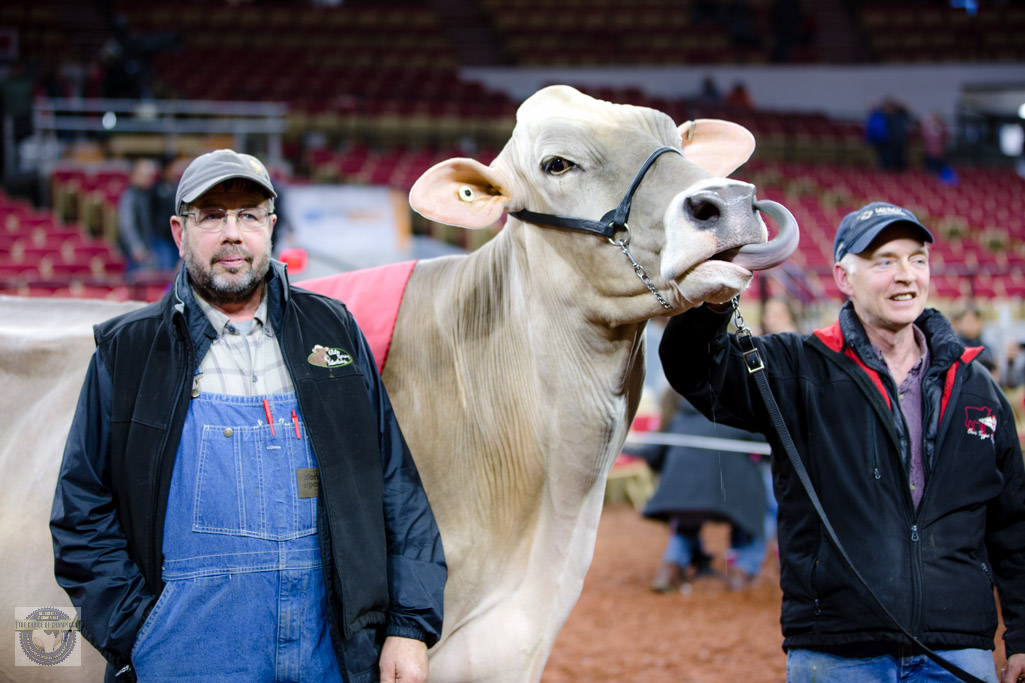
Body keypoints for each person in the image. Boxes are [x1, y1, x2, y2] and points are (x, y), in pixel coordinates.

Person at [51, 149, 446, 682]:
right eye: (212, 216)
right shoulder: (128, 352)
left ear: (271, 227)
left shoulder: (333, 331)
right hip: (185, 659)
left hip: (327, 654)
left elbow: (396, 487)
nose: (232, 234)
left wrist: (408, 626)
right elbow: (81, 510)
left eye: (248, 216)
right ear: (179, 232)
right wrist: (139, 635)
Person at [659, 200, 1025, 683]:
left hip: (958, 653)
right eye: (884, 261)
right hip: (837, 654)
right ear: (844, 278)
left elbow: (1012, 524)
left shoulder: (977, 385)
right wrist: (714, 298)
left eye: (917, 259)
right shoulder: (797, 367)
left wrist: (1022, 637)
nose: (906, 274)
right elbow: (693, 367)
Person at [638, 388, 770, 594]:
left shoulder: (679, 418)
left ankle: (670, 568)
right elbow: (768, 446)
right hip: (732, 496)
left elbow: (653, 455)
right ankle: (743, 570)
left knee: (685, 522)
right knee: (764, 513)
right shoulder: (738, 415)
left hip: (683, 496)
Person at [116, 157, 159, 274]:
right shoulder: (130, 196)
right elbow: (127, 224)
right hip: (134, 253)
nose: (148, 179)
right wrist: (136, 247)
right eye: (145, 176)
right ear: (135, 175)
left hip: (147, 247)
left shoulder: (146, 195)